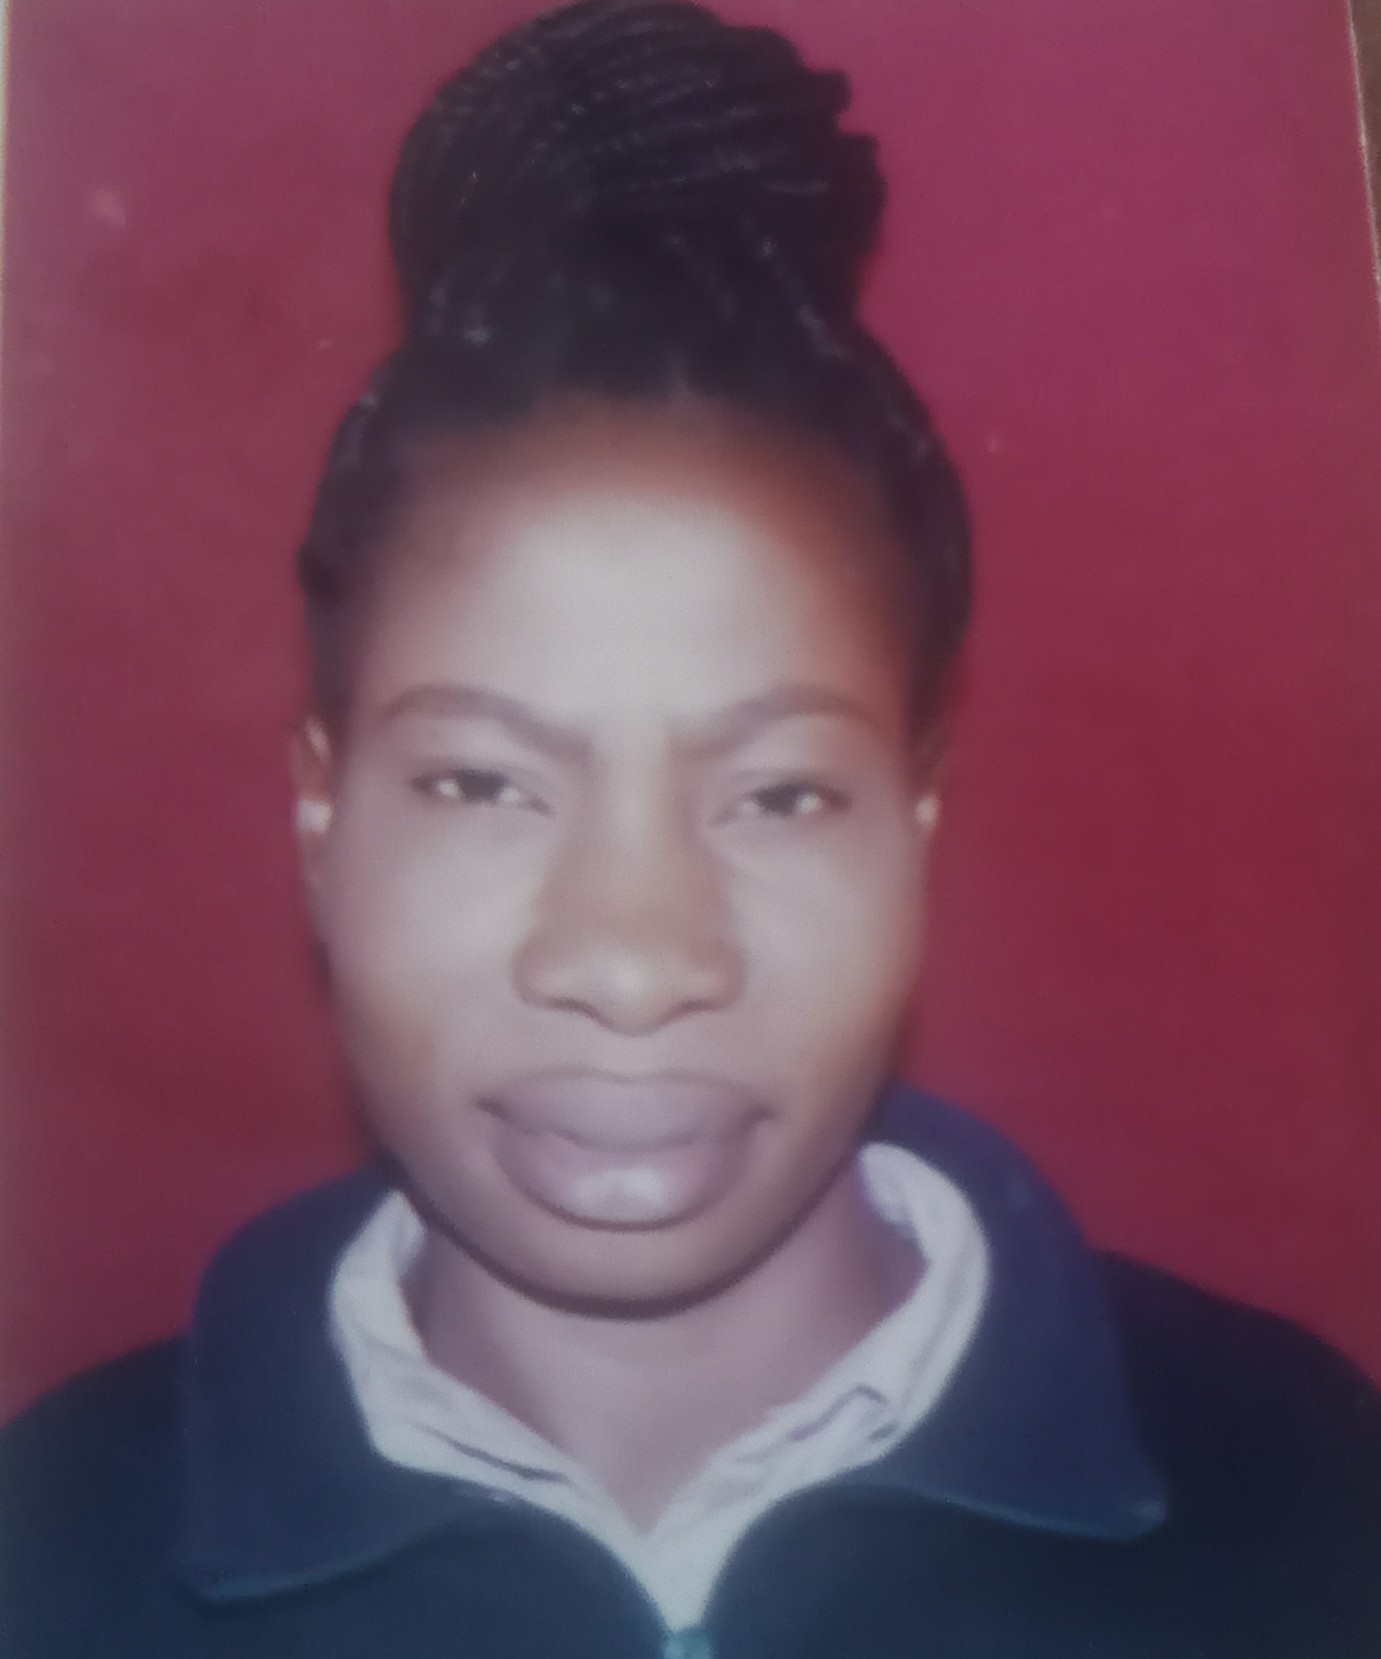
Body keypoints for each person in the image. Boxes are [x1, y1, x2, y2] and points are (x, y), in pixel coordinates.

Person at [2, 2, 1378, 1653]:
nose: (635, 961)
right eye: (483, 783)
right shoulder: (45, 1558)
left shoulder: (1313, 1508)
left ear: (917, 822)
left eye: (779, 793)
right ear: (319, 809)